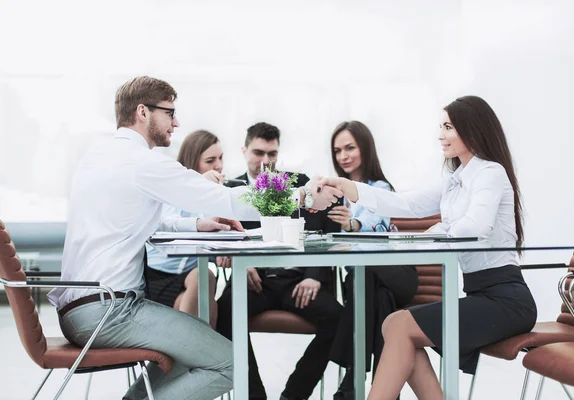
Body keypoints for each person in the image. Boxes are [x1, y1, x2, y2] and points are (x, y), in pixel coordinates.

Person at [47, 76, 340, 400]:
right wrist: (302, 196)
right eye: (169, 112)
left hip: (83, 308)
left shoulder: (99, 156)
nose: (176, 122)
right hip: (110, 312)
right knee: (231, 364)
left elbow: (144, 223)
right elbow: (227, 199)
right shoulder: (142, 162)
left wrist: (197, 225)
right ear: (143, 112)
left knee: (194, 352)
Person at [318, 96, 537, 400]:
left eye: (448, 126)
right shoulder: (455, 180)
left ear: (471, 130)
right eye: (442, 126)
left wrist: (439, 229)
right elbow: (406, 203)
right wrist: (348, 188)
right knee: (396, 326)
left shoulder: (490, 173)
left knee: (399, 325)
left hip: (507, 300)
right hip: (480, 295)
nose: (441, 134)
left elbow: (475, 227)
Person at [218, 122, 343, 400]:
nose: (265, 161)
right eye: (258, 152)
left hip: (297, 281)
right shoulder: (230, 190)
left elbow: (324, 232)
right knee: (223, 311)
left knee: (338, 317)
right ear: (244, 150)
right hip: (252, 279)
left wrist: (314, 275)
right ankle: (254, 396)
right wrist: (241, 262)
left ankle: (294, 395)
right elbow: (221, 234)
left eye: (272, 154)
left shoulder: (300, 184)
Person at [326, 121, 419, 399]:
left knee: (365, 273)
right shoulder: (335, 196)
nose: (343, 156)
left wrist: (352, 225)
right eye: (338, 150)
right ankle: (383, 388)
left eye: (350, 147)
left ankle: (351, 382)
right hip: (369, 284)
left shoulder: (380, 188)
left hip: (397, 274)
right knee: (377, 297)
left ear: (365, 148)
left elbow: (375, 224)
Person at [145, 130, 234, 329]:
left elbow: (220, 232)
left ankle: (188, 355)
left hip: (190, 275)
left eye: (220, 158)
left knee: (204, 283)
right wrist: (199, 184)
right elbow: (167, 224)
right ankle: (196, 354)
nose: (218, 166)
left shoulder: (218, 193)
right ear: (193, 162)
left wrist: (226, 251)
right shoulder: (173, 186)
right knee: (204, 296)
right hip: (158, 274)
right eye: (210, 160)